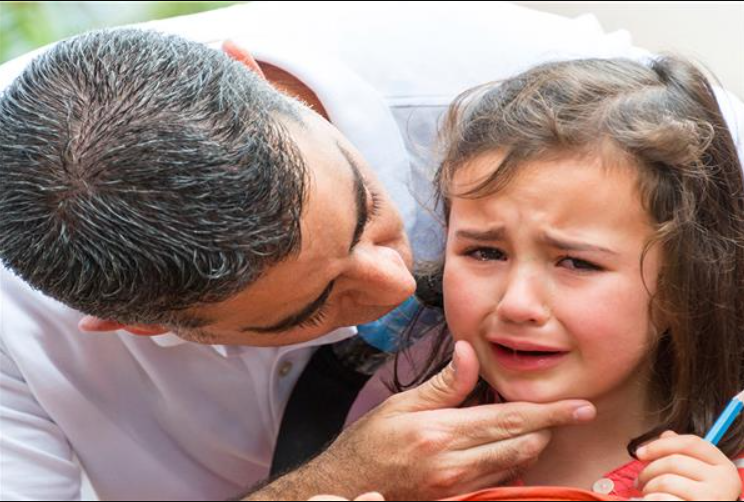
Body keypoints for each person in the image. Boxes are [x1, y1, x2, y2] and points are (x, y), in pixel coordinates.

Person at [0, 3, 742, 500]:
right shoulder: (22, 317)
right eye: (316, 305)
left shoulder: (562, 91)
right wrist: (334, 481)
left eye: (366, 214)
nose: (401, 287)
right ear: (137, 326)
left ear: (251, 75)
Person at [382, 56, 744, 501]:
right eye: (485, 252)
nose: (517, 304)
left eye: (575, 263)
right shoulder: (398, 454)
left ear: (685, 283)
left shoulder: (723, 486)